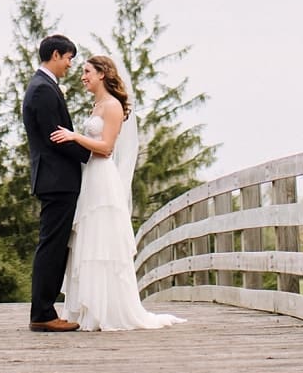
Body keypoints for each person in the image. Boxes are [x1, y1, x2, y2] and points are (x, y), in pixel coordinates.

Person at [49, 53, 185, 331]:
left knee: (103, 241)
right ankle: (89, 307)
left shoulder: (111, 105)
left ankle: (108, 308)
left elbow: (106, 147)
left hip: (102, 177)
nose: (83, 76)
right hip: (90, 177)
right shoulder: (96, 104)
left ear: (102, 73)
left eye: (87, 71)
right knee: (89, 239)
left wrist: (74, 136)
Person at [21, 34, 88, 332]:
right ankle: (43, 313)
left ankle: (45, 310)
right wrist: (92, 153)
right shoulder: (43, 90)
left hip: (56, 178)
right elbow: (56, 136)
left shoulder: (43, 87)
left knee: (55, 245)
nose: (70, 65)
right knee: (51, 245)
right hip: (56, 179)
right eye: (69, 58)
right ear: (56, 55)